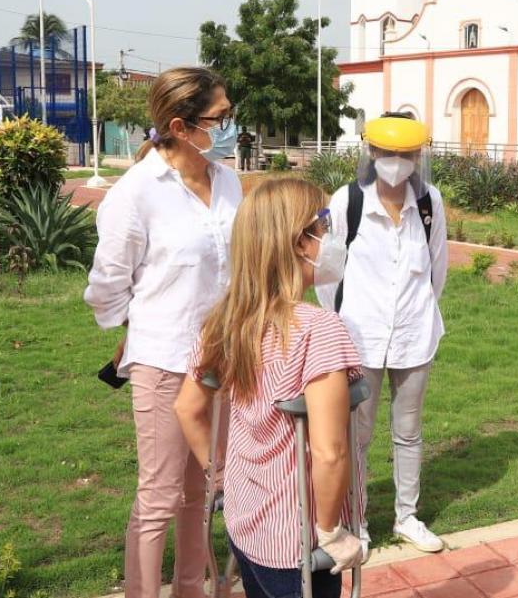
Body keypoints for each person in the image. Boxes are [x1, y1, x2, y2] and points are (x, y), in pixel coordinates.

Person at [84, 67, 242, 598]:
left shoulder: (227, 181)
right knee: (159, 495)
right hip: (165, 362)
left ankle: (190, 589)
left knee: (202, 489)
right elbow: (106, 285)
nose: (229, 127)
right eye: (220, 118)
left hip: (221, 362)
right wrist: (134, 327)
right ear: (180, 124)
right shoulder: (136, 193)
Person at [174, 178, 363, 598]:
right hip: (298, 542)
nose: (330, 238)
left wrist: (217, 473)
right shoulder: (318, 330)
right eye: (324, 225)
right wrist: (331, 532)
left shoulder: (227, 320)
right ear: (300, 242)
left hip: (246, 522)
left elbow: (188, 408)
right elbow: (331, 452)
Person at [315, 113, 448, 553]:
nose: (396, 162)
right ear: (372, 152)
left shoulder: (429, 203)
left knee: (408, 431)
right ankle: (359, 520)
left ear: (417, 156)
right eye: (388, 153)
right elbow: (329, 272)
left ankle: (407, 516)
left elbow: (437, 268)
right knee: (360, 435)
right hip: (361, 337)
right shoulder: (348, 200)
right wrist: (340, 324)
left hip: (414, 334)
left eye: (406, 154)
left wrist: (421, 312)